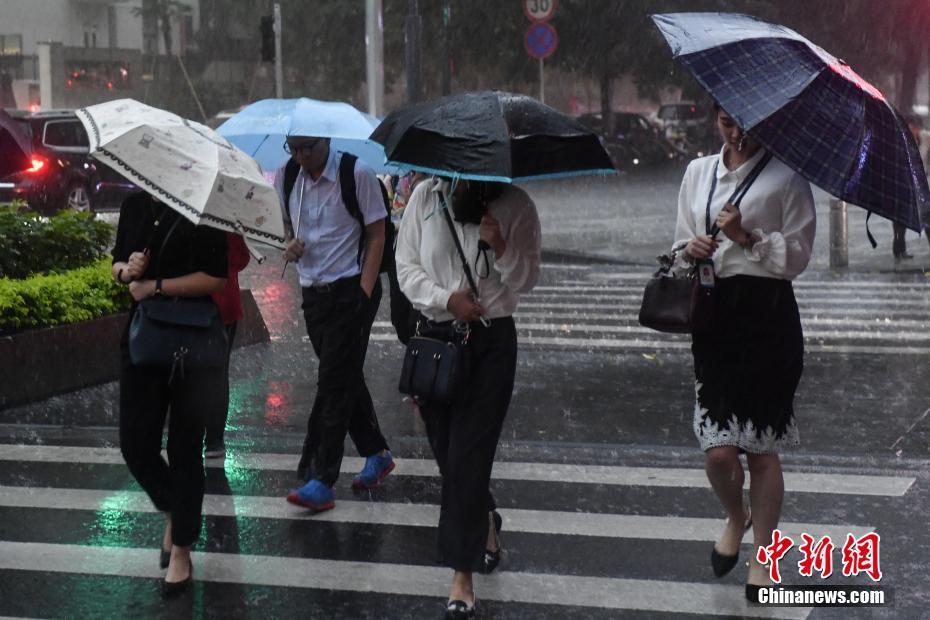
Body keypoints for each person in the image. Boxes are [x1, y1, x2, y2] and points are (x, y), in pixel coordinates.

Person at [673, 105, 816, 602]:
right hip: (715, 317)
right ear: (715, 119)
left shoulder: (788, 176)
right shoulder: (698, 173)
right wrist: (688, 250)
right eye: (727, 123)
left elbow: (797, 256)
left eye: (747, 124)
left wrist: (746, 237)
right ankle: (737, 514)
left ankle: (765, 557)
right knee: (718, 453)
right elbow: (674, 246)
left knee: (761, 450)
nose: (737, 133)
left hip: (769, 319)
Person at [395, 176, 541, 619]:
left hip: (491, 344)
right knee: (448, 453)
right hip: (438, 341)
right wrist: (446, 299)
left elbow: (528, 278)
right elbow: (406, 268)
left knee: (468, 456)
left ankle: (462, 574)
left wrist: (500, 246)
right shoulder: (425, 196)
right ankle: (487, 521)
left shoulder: (516, 205)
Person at [111, 191, 228, 595]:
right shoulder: (135, 205)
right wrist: (128, 270)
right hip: (145, 340)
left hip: (193, 344)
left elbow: (216, 278)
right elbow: (118, 264)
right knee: (135, 444)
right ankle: (175, 511)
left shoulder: (206, 209)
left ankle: (181, 548)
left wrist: (156, 285)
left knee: (185, 448)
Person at [276, 135, 393, 512]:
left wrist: (363, 290)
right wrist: (288, 244)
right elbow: (284, 227)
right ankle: (377, 452)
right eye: (293, 148)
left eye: (307, 148)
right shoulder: (287, 175)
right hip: (313, 294)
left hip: (351, 290)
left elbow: (377, 234)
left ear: (324, 140)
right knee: (343, 376)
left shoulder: (355, 173)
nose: (300, 156)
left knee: (331, 381)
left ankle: (321, 477)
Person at [204, 232, 251, 458]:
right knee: (217, 373)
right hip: (222, 305)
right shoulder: (225, 215)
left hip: (197, 306)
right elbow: (241, 259)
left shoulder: (183, 215)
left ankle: (202, 435)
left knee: (203, 373)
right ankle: (213, 439)